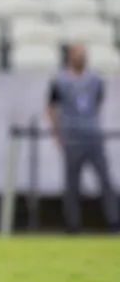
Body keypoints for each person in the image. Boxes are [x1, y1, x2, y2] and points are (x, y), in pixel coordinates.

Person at [48, 43, 120, 233]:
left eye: (84, 54)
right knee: (72, 184)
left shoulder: (95, 79)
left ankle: (114, 221)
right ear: (70, 56)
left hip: (93, 136)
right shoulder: (60, 80)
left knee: (105, 180)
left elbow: (98, 101)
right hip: (72, 138)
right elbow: (52, 106)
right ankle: (73, 224)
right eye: (78, 54)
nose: (82, 57)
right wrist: (57, 133)